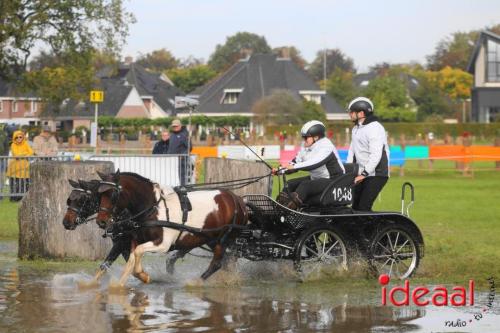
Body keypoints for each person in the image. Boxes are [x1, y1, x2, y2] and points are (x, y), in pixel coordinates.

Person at [274, 120, 345, 210]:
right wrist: (279, 170)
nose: (304, 140)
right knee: (290, 184)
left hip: (334, 180)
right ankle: (278, 210)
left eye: (306, 137)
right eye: (303, 137)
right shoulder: (306, 145)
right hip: (318, 178)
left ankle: (288, 212)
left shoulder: (326, 146)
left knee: (305, 186)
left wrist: (294, 167)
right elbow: (295, 161)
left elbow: (315, 163)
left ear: (316, 137)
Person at [346, 97, 390, 211]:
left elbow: (376, 155)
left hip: (377, 174)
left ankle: (379, 228)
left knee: (363, 207)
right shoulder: (356, 128)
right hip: (362, 173)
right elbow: (352, 151)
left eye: (352, 112)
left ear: (361, 113)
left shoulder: (375, 128)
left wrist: (364, 174)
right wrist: (348, 170)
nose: (349, 114)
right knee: (355, 208)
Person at [6, 130, 34, 201]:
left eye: (20, 137)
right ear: (14, 138)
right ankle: (13, 198)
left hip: (24, 168)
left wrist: (22, 154)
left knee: (24, 183)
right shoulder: (13, 145)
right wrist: (25, 154)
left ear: (23, 137)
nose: (19, 138)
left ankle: (22, 198)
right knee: (14, 183)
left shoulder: (26, 144)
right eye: (17, 137)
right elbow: (16, 155)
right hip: (14, 168)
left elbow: (31, 152)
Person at [167, 119, 191, 185]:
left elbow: (189, 147)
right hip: (171, 160)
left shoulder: (184, 135)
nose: (175, 127)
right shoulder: (172, 135)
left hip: (181, 161)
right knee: (172, 175)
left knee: (181, 176)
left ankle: (182, 189)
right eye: (173, 126)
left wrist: (182, 156)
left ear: (180, 126)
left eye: (176, 126)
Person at [0, 124, 10, 199]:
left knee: (1, 177)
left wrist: (5, 157)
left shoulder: (3, 135)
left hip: (2, 159)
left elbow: (7, 147)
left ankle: (0, 193)